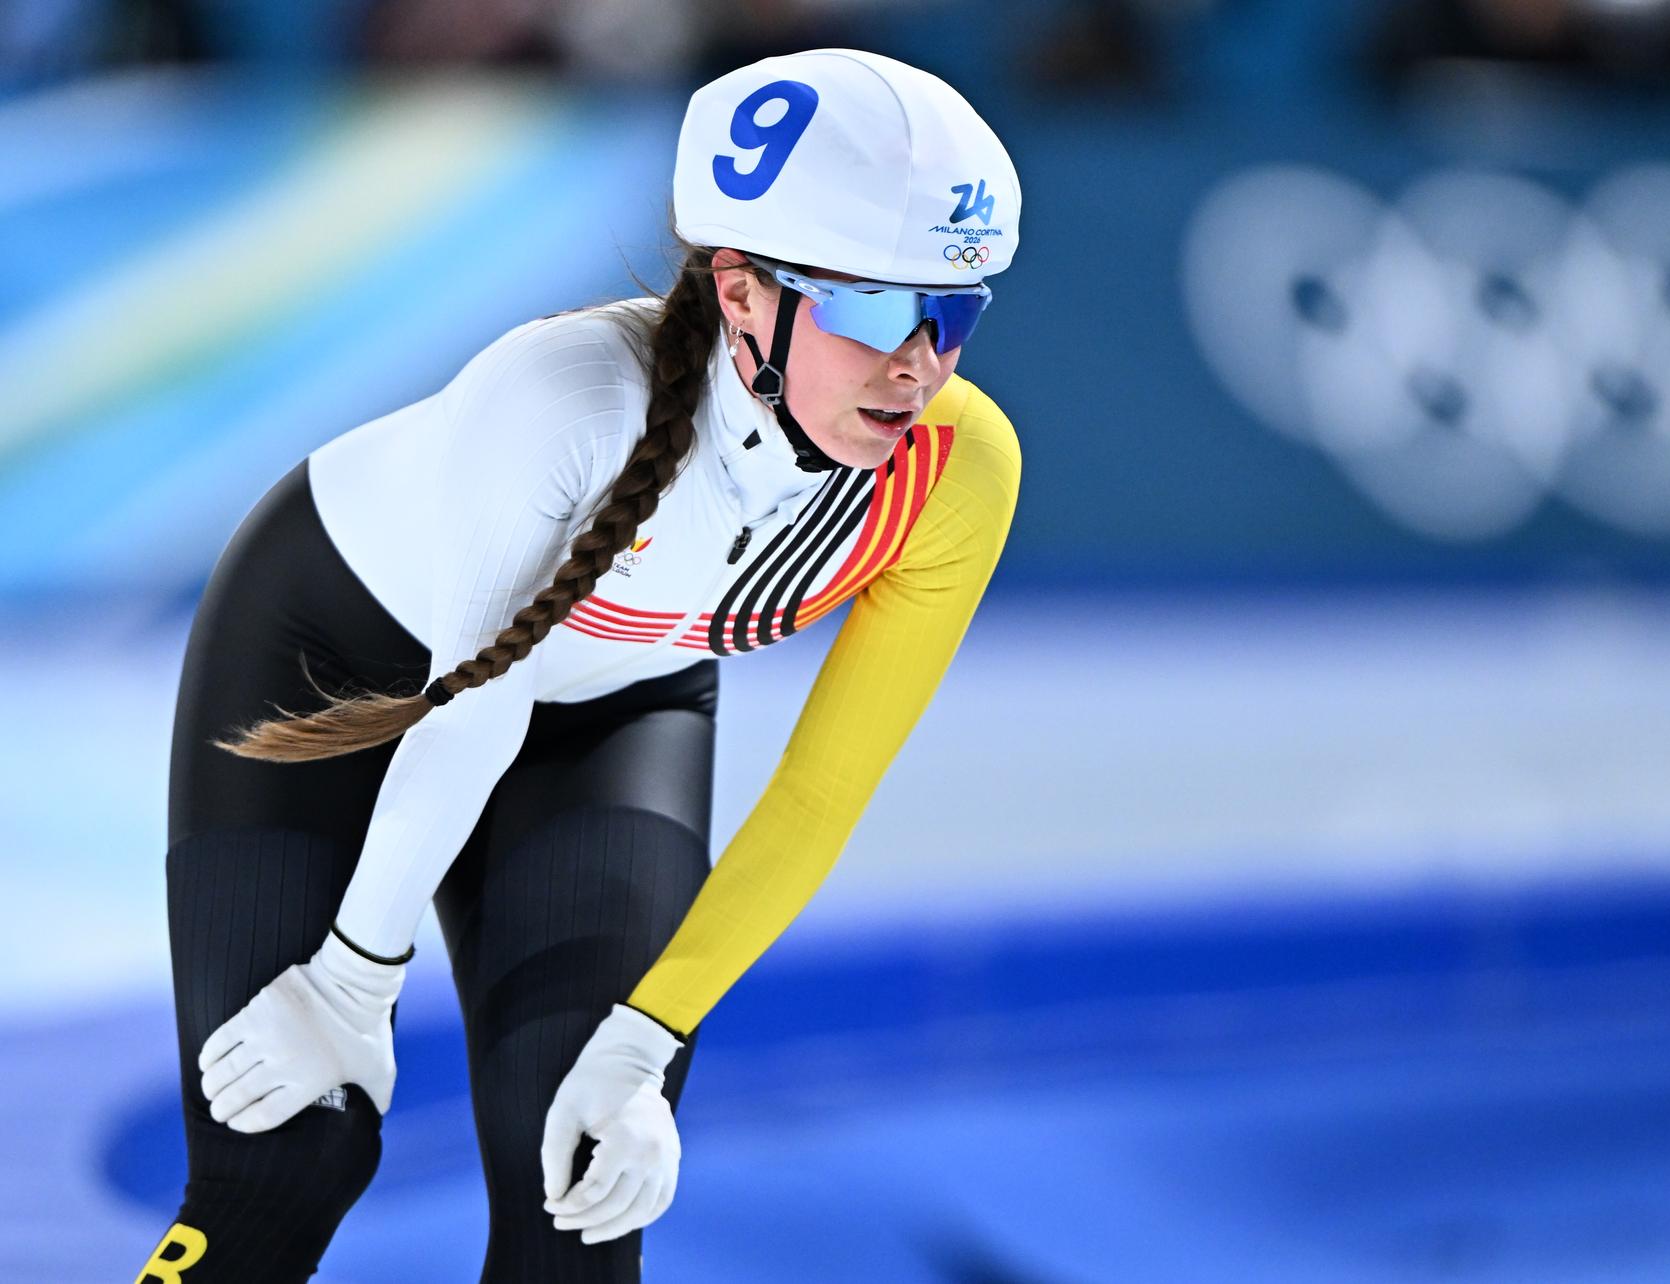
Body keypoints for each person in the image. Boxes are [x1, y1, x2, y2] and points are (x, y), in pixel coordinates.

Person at [136, 47, 1022, 1283]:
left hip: (610, 710)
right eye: (875, 308)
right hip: (342, 659)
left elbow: (824, 793)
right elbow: (471, 710)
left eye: (958, 310)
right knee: (283, 1156)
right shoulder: (561, 402)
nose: (921, 361)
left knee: (582, 1188)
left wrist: (646, 1040)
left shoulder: (957, 475)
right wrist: (350, 981)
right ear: (745, 294)